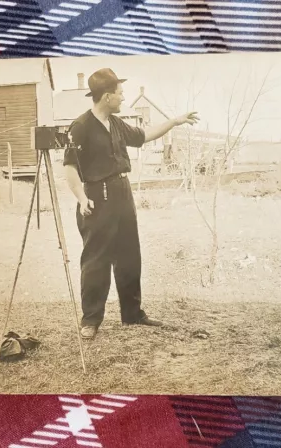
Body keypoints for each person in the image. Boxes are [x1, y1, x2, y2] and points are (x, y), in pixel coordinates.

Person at [63, 68, 199, 339]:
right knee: (96, 260)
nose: (123, 98)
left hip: (122, 192)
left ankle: (132, 314)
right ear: (106, 96)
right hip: (96, 196)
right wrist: (81, 198)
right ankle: (90, 320)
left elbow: (143, 136)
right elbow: (69, 168)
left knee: (128, 255)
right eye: (120, 93)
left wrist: (174, 122)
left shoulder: (116, 123)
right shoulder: (80, 126)